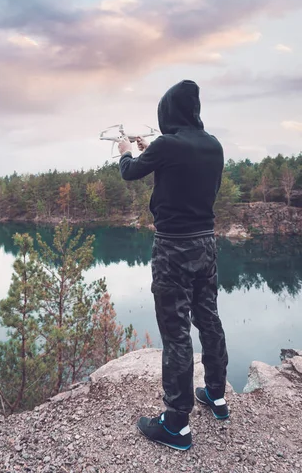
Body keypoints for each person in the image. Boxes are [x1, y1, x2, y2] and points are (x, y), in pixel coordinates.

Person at [118, 80, 229, 451]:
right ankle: (216, 394)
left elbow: (130, 172)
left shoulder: (168, 146)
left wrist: (124, 151)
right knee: (209, 317)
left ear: (167, 112)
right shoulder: (212, 145)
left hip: (172, 249)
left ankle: (176, 424)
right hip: (206, 243)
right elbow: (180, 164)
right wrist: (153, 149)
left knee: (176, 332)